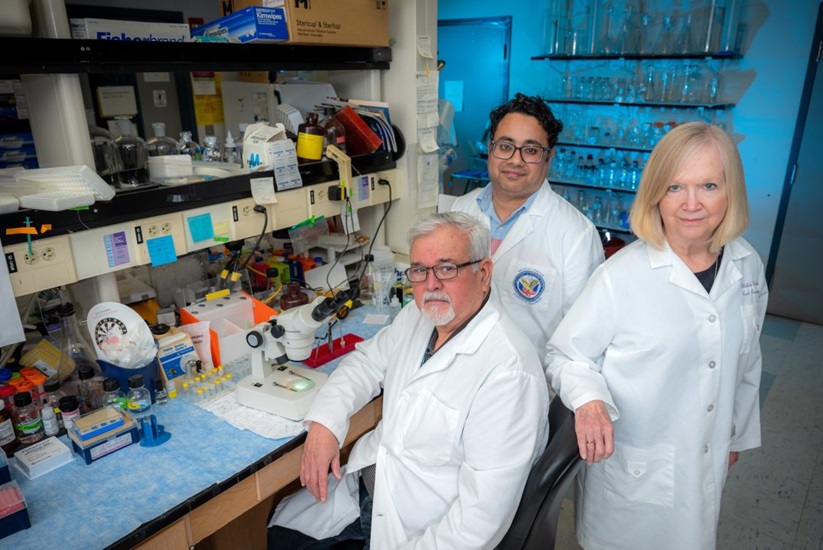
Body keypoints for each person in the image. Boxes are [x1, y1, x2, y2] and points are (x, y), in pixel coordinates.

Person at [545, 122, 768, 549]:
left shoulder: (747, 266)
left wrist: (735, 434)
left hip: (705, 457)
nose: (691, 204)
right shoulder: (620, 275)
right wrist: (589, 401)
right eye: (674, 188)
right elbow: (566, 355)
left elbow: (747, 358)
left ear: (731, 191)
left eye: (708, 185)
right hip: (632, 473)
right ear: (655, 196)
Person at [268, 212, 550, 549]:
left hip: (418, 530)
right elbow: (366, 362)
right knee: (279, 531)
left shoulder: (508, 373)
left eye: (447, 268)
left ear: (484, 273)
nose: (431, 285)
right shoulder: (419, 317)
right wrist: (326, 423)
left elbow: (479, 522)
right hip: (369, 488)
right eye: (419, 270)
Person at [451, 93, 604, 357]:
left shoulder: (576, 233)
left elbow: (584, 341)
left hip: (529, 384)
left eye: (531, 150)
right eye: (505, 146)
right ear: (490, 149)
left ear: (549, 157)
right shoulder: (459, 210)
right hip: (460, 370)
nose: (515, 160)